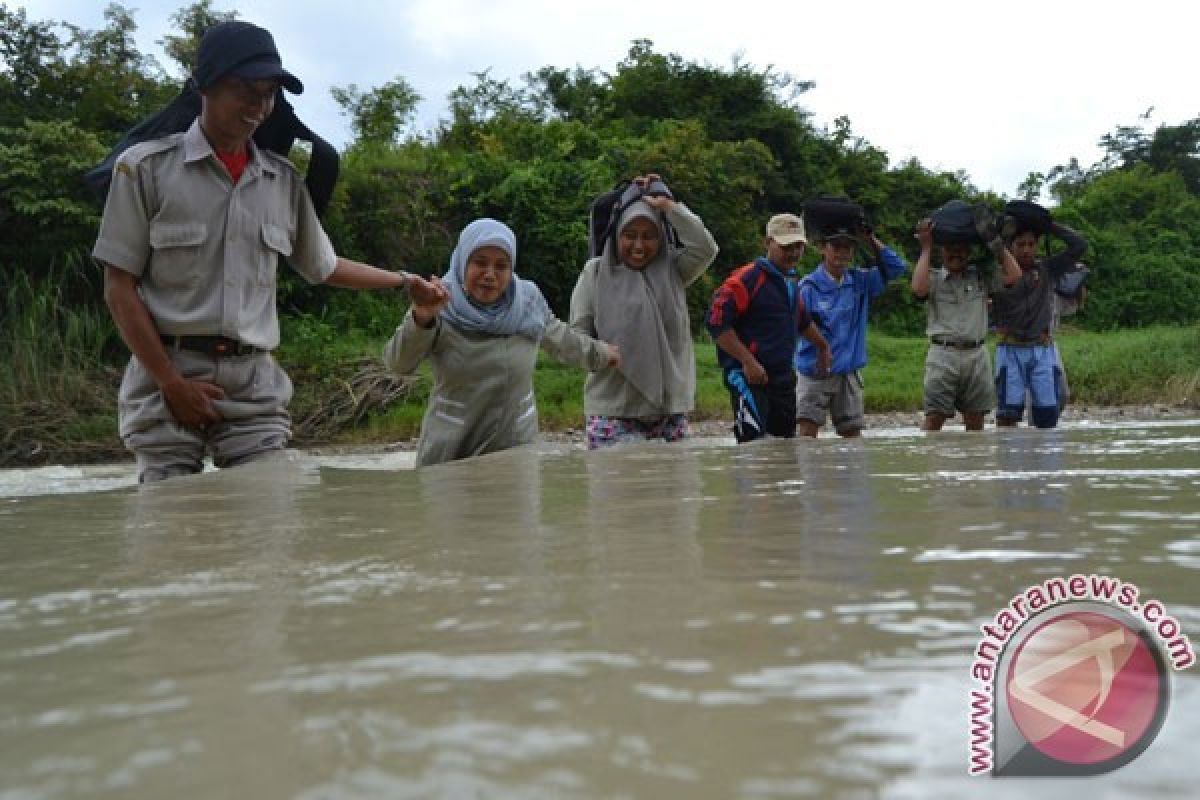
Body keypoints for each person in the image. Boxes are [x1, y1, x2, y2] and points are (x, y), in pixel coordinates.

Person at [93, 20, 447, 483]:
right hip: (168, 375)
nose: (260, 106)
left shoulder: (282, 182)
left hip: (253, 384)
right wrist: (169, 382)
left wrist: (404, 281)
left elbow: (324, 266)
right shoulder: (144, 170)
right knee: (171, 526)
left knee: (267, 518)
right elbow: (119, 288)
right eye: (246, 89)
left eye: (269, 93)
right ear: (205, 85)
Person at [383, 219, 620, 467]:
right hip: (452, 449)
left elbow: (562, 340)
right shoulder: (439, 302)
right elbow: (398, 364)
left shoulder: (527, 303)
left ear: (511, 269)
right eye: (480, 262)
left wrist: (602, 354)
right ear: (463, 261)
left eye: (501, 266)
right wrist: (422, 316)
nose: (489, 275)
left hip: (516, 448)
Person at [569, 174, 719, 449]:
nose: (639, 245)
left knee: (673, 488)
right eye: (630, 235)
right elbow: (577, 335)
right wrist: (600, 353)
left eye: (649, 236)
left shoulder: (674, 269)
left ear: (661, 237)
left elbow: (706, 248)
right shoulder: (595, 273)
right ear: (616, 235)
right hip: (613, 412)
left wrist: (669, 207)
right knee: (622, 489)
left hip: (670, 412)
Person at [706, 213, 831, 442]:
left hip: (782, 376)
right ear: (768, 243)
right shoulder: (745, 280)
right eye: (786, 247)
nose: (793, 253)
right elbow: (716, 324)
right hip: (749, 377)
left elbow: (802, 321)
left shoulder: (791, 281)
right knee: (752, 444)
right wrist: (748, 361)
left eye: (797, 246)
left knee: (784, 446)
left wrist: (822, 347)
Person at [794, 215, 907, 437]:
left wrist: (871, 240)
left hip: (848, 373)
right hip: (814, 372)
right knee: (807, 432)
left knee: (853, 436)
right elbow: (798, 327)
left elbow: (897, 268)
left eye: (848, 247)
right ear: (822, 249)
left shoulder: (859, 282)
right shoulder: (808, 287)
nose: (843, 253)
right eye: (836, 246)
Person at [910, 207, 1022, 431]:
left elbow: (1014, 276)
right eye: (951, 248)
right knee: (934, 419)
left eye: (962, 249)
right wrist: (926, 248)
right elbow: (918, 289)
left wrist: (997, 245)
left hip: (976, 356)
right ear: (942, 251)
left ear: (969, 252)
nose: (956, 253)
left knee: (975, 422)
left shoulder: (981, 277)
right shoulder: (933, 277)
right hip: (942, 356)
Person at [990, 204, 1088, 428]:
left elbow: (1079, 245)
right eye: (1020, 244)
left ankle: (1042, 461)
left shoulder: (1048, 269)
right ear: (1010, 246)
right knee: (1007, 415)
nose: (1026, 250)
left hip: (1041, 350)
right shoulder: (997, 272)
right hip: (1010, 349)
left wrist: (1050, 226)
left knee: (1047, 416)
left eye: (1031, 244)